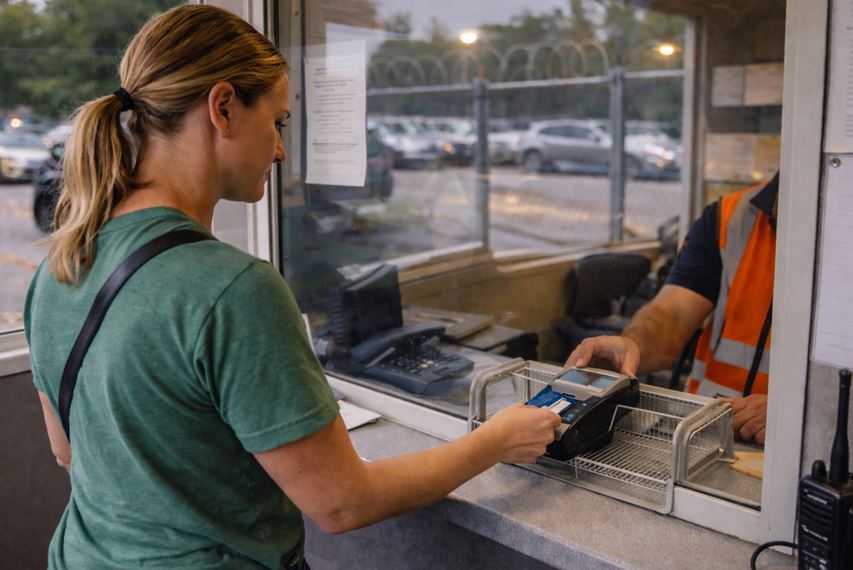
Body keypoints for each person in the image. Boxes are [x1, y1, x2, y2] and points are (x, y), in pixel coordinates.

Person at [24, 5, 561, 569]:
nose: (281, 151)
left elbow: (69, 452)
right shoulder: (232, 290)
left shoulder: (60, 268)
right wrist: (493, 441)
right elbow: (343, 504)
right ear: (223, 108)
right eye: (278, 123)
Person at [565, 172, 779, 446]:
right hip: (704, 430)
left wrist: (795, 415)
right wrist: (631, 347)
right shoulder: (730, 217)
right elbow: (672, 315)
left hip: (806, 454)